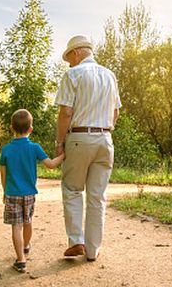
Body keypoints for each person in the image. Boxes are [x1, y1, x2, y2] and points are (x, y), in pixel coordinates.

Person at [54, 35, 121, 262]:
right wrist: (103, 130)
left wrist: (59, 142)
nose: (69, 63)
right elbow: (116, 113)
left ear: (76, 53)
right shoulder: (110, 75)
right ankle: (93, 251)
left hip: (79, 138)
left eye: (69, 58)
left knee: (72, 189)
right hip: (105, 139)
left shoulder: (73, 74)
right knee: (97, 197)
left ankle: (76, 241)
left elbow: (65, 113)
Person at [0, 109, 65, 272]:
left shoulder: (6, 149)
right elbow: (50, 164)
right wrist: (64, 155)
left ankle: (21, 260)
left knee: (16, 226)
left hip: (12, 193)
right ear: (31, 129)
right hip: (29, 193)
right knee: (27, 222)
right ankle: (26, 245)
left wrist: (5, 192)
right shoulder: (34, 147)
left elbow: (3, 174)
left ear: (11, 128)